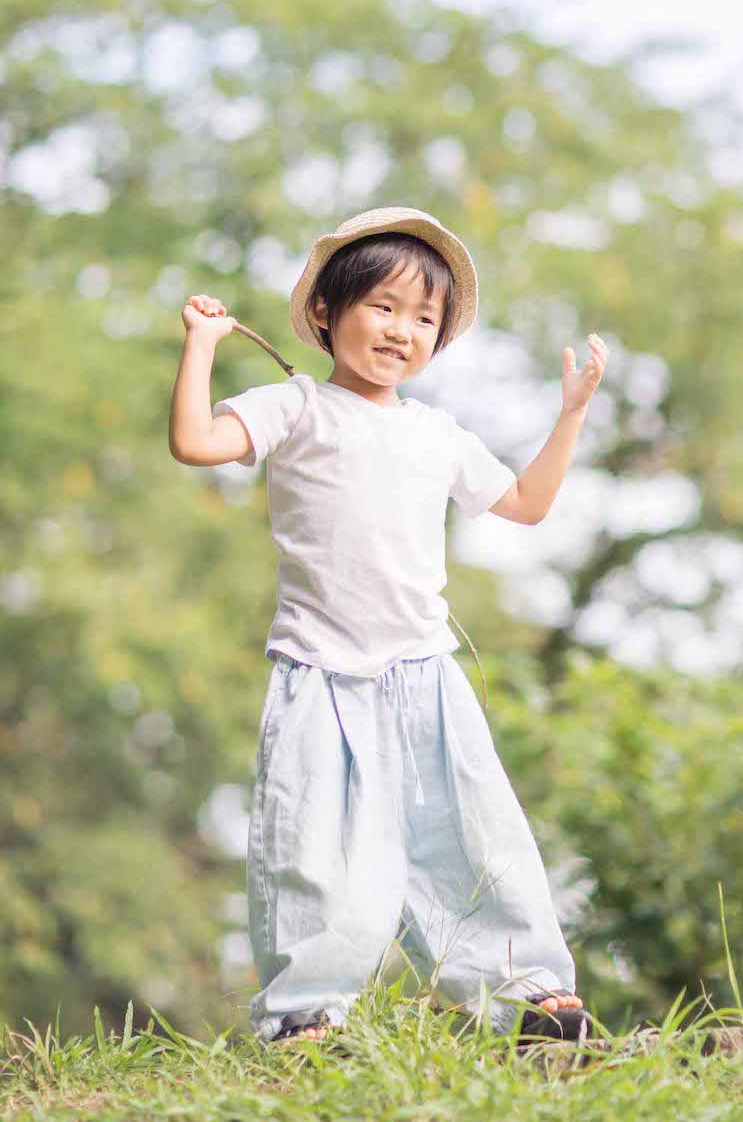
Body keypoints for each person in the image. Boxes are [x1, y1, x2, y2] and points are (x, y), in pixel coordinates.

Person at [168, 205, 609, 1047]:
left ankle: (531, 999)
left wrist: (572, 414)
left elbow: (525, 504)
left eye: (424, 319)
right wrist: (201, 345)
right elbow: (195, 441)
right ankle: (310, 1012)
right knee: (315, 844)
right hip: (319, 673)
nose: (402, 329)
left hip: (423, 672)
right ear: (328, 314)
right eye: (382, 306)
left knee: (474, 828)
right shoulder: (294, 406)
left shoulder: (436, 433)